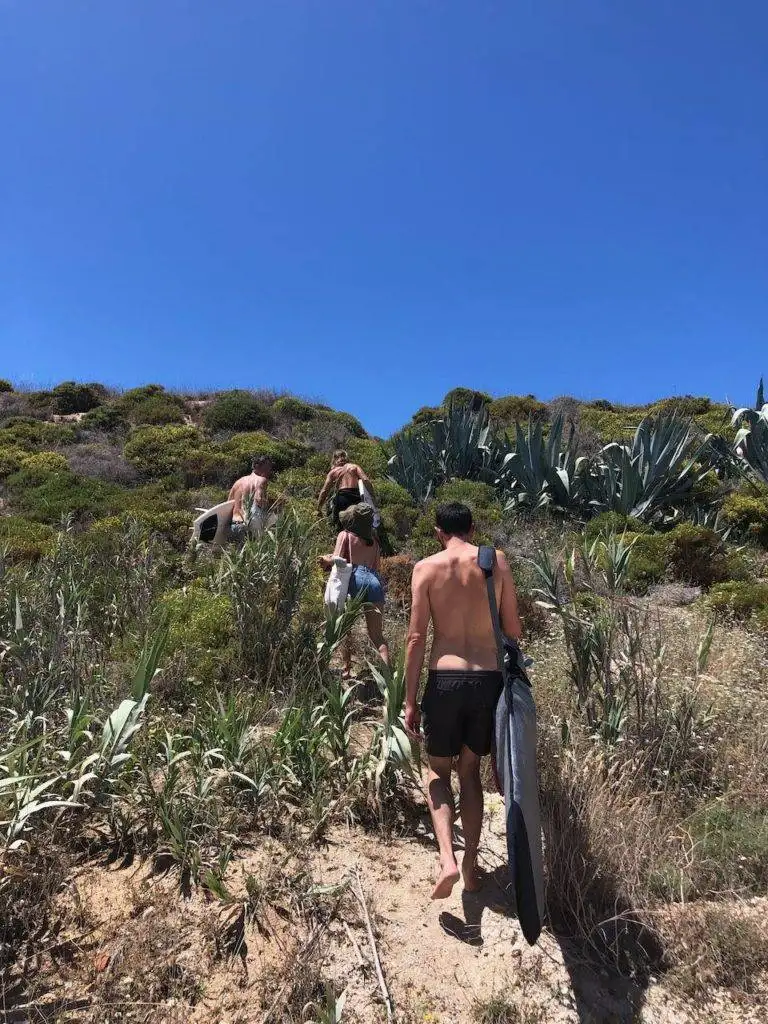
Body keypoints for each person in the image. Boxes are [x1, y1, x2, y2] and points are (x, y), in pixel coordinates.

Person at [403, 502, 521, 900]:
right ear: (472, 527)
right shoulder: (495, 561)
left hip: (444, 679)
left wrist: (409, 700)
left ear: (438, 531)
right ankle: (471, 863)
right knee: (470, 772)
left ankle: (447, 860)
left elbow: (416, 639)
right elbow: (514, 629)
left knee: (437, 773)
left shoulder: (425, 568)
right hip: (487, 682)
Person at [320, 503, 390, 675]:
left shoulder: (345, 535)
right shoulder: (374, 542)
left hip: (353, 579)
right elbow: (377, 568)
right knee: (377, 636)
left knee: (344, 627)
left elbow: (338, 560)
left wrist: (325, 560)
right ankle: (388, 677)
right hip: (374, 582)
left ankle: (346, 668)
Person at [317, 450, 375, 528]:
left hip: (342, 497)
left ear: (335, 461)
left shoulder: (333, 471)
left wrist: (318, 508)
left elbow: (324, 490)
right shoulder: (354, 466)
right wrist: (372, 496)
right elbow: (365, 480)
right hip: (356, 497)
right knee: (358, 525)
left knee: (340, 525)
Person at [227, 455, 274, 539]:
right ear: (257, 466)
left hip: (233, 526)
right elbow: (259, 500)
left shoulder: (238, 482)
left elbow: (227, 505)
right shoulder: (261, 480)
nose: (269, 470)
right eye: (267, 467)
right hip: (247, 527)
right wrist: (272, 505)